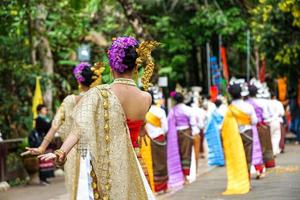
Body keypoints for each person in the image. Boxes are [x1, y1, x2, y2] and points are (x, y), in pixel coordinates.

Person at [39, 36, 158, 200]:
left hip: (109, 168)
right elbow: (138, 122)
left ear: (111, 66)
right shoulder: (146, 98)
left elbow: (80, 127)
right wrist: (142, 128)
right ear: (136, 64)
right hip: (135, 164)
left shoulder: (101, 94)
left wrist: (62, 151)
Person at [24, 62, 104, 199]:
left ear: (79, 81)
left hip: (71, 151)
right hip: (99, 149)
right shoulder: (100, 98)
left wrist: (42, 148)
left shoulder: (69, 101)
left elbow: (54, 125)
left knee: (80, 189)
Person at [221, 83, 257, 195]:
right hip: (247, 133)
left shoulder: (229, 109)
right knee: (247, 157)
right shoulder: (248, 107)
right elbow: (254, 121)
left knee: (236, 158)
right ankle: (247, 182)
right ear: (241, 93)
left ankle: (237, 180)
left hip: (234, 136)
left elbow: (224, 125)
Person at [167, 91, 199, 185]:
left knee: (178, 153)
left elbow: (168, 122)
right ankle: (185, 176)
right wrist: (194, 134)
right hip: (187, 133)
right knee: (186, 153)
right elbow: (193, 122)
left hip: (176, 133)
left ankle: (181, 175)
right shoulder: (188, 109)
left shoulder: (172, 110)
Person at [144, 91, 168, 194]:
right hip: (160, 138)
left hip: (148, 140)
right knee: (162, 162)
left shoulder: (142, 111)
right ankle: (164, 186)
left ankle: (154, 187)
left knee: (152, 163)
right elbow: (165, 128)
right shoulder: (160, 111)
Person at [35, 104, 54, 185]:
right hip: (42, 142)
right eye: (44, 109)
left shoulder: (46, 119)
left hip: (47, 142)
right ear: (39, 111)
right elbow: (46, 127)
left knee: (47, 160)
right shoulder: (39, 119)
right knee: (43, 160)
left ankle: (45, 178)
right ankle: (42, 179)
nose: (45, 110)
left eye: (46, 109)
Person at [204, 99, 225, 166]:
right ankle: (223, 159)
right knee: (223, 145)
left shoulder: (213, 112)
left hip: (216, 130)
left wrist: (206, 130)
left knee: (217, 146)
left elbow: (209, 122)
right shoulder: (223, 110)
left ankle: (219, 159)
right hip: (222, 129)